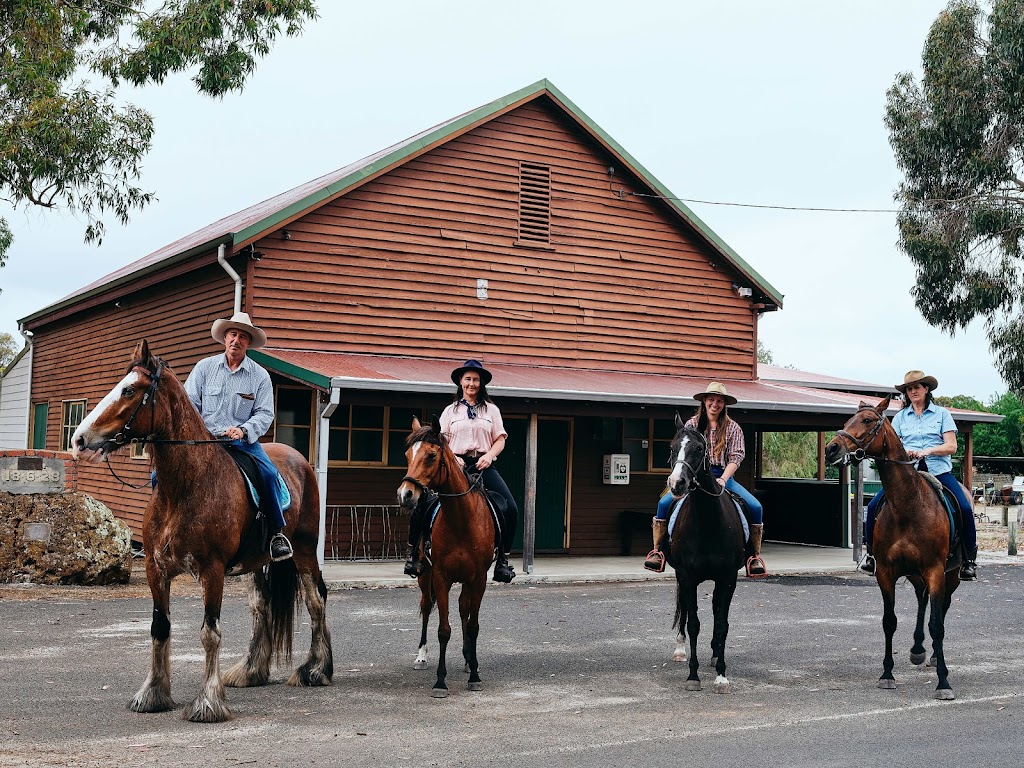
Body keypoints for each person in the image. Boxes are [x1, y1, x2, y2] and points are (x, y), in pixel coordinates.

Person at [184, 311, 293, 562]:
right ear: (224, 337)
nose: (237, 340)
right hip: (205, 442)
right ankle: (165, 529)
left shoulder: (259, 376)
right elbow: (190, 406)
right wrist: (200, 433)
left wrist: (243, 430)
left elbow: (265, 414)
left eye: (243, 337)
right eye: (233, 334)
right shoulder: (204, 368)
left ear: (249, 343)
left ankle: (277, 533)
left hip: (242, 443)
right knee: (160, 475)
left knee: (268, 474)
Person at [404, 360, 518, 583]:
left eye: (476, 379)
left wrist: (489, 456)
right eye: (468, 379)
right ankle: (414, 556)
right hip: (455, 465)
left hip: (484, 463)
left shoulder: (491, 410)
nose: (472, 383)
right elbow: (440, 440)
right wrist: (454, 458)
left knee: (510, 506)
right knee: (423, 502)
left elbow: (500, 439)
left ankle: (503, 560)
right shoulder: (450, 411)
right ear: (460, 382)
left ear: (481, 383)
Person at [860, 370, 977, 580]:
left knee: (965, 506)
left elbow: (951, 446)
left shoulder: (942, 414)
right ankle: (871, 557)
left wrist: (927, 451)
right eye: (909, 389)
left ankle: (968, 561)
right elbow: (893, 446)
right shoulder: (900, 418)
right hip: (907, 474)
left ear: (926, 389)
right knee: (872, 506)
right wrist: (907, 453)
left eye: (917, 387)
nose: (913, 391)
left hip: (938, 471)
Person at [643, 382, 767, 578]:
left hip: (724, 476)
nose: (715, 404)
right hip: (694, 476)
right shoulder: (691, 425)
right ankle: (658, 551)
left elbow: (736, 457)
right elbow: (682, 452)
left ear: (724, 404)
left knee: (756, 507)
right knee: (663, 503)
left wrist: (724, 479)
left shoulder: (733, 428)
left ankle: (753, 556)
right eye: (711, 400)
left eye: (719, 401)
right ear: (704, 401)